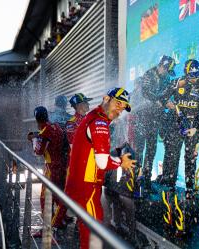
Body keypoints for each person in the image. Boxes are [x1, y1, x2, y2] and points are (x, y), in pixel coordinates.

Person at [64, 87, 136, 249]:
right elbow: (102, 162)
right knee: (93, 230)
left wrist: (115, 153)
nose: (119, 110)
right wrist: (121, 162)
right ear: (105, 99)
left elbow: (92, 150)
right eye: (117, 103)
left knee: (88, 230)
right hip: (87, 186)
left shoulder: (93, 117)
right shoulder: (100, 122)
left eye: (123, 107)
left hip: (82, 184)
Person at [159, 59, 199, 198]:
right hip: (175, 124)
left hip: (193, 127)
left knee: (191, 158)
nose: (194, 78)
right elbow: (162, 98)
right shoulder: (177, 83)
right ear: (186, 73)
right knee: (172, 155)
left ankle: (190, 189)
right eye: (191, 75)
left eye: (197, 75)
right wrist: (168, 104)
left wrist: (196, 127)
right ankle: (169, 186)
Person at [51, 93, 92, 229]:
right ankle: (56, 223)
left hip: (87, 164)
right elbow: (73, 145)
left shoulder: (88, 120)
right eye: (85, 102)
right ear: (79, 106)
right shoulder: (72, 122)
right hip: (76, 165)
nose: (88, 105)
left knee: (84, 195)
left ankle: (80, 223)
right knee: (68, 196)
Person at [137, 55, 176, 192]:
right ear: (162, 66)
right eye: (166, 70)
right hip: (142, 118)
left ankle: (146, 180)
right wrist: (158, 101)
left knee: (152, 150)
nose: (166, 74)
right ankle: (134, 179)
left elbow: (165, 95)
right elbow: (146, 92)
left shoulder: (166, 78)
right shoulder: (148, 74)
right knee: (139, 150)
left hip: (155, 118)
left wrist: (167, 103)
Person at [27, 106, 66, 237]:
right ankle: (59, 221)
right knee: (58, 196)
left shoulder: (45, 132)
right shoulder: (56, 126)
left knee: (45, 198)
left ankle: (48, 229)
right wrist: (38, 135)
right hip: (61, 166)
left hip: (51, 168)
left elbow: (38, 151)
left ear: (37, 119)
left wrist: (33, 139)